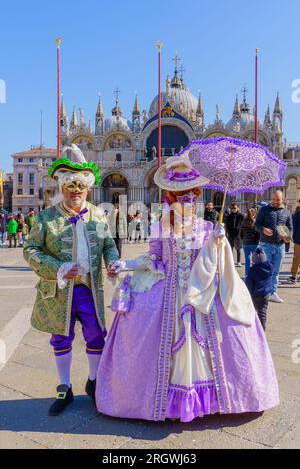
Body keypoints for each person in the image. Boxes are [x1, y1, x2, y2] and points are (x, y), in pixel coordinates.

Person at [95, 152, 279, 422]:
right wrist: (126, 265)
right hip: (169, 293)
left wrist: (220, 242)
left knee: (228, 331)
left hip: (203, 293)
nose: (189, 202)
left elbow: (218, 263)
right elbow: (154, 259)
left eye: (193, 197)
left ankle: (218, 399)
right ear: (172, 200)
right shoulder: (161, 228)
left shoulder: (208, 227)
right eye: (183, 198)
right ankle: (163, 401)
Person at [24, 144, 119, 417]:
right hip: (59, 290)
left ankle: (93, 381)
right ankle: (64, 387)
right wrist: (58, 267)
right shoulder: (45, 218)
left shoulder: (99, 215)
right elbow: (30, 250)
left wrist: (112, 262)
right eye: (70, 188)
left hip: (90, 289)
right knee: (61, 336)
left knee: (96, 335)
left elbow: (109, 244)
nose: (76, 192)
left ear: (88, 189)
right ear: (62, 189)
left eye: (81, 188)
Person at [255, 190, 293, 303]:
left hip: (280, 246)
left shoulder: (286, 212)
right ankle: (263, 292)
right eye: (274, 199)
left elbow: (290, 228)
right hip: (265, 244)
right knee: (265, 270)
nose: (275, 201)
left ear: (282, 200)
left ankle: (273, 292)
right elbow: (256, 225)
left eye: (278, 200)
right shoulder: (264, 210)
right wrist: (263, 229)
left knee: (276, 271)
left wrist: (288, 236)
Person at [246, 247, 273, 330]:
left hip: (256, 294)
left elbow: (249, 284)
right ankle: (262, 327)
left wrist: (248, 294)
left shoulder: (252, 270)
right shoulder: (270, 267)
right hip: (266, 293)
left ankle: (254, 327)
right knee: (263, 311)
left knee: (253, 310)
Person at [240, 208, 260, 277]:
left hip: (246, 242)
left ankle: (247, 274)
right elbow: (258, 233)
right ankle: (255, 274)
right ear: (255, 214)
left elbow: (241, 233)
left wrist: (243, 239)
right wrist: (258, 240)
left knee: (247, 260)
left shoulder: (243, 222)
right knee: (255, 260)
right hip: (254, 243)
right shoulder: (256, 222)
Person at [225, 203, 244, 267]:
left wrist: (241, 232)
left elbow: (242, 224)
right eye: (232, 208)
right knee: (230, 248)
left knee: (238, 249)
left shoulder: (241, 216)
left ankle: (238, 261)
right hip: (231, 234)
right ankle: (230, 261)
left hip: (238, 234)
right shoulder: (229, 216)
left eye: (235, 208)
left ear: (237, 208)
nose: (233, 209)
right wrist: (227, 232)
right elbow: (226, 225)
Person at [286, 206, 300, 284]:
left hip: (298, 240)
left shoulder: (297, 215)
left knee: (296, 259)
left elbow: (293, 227)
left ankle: (293, 277)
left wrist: (293, 238)